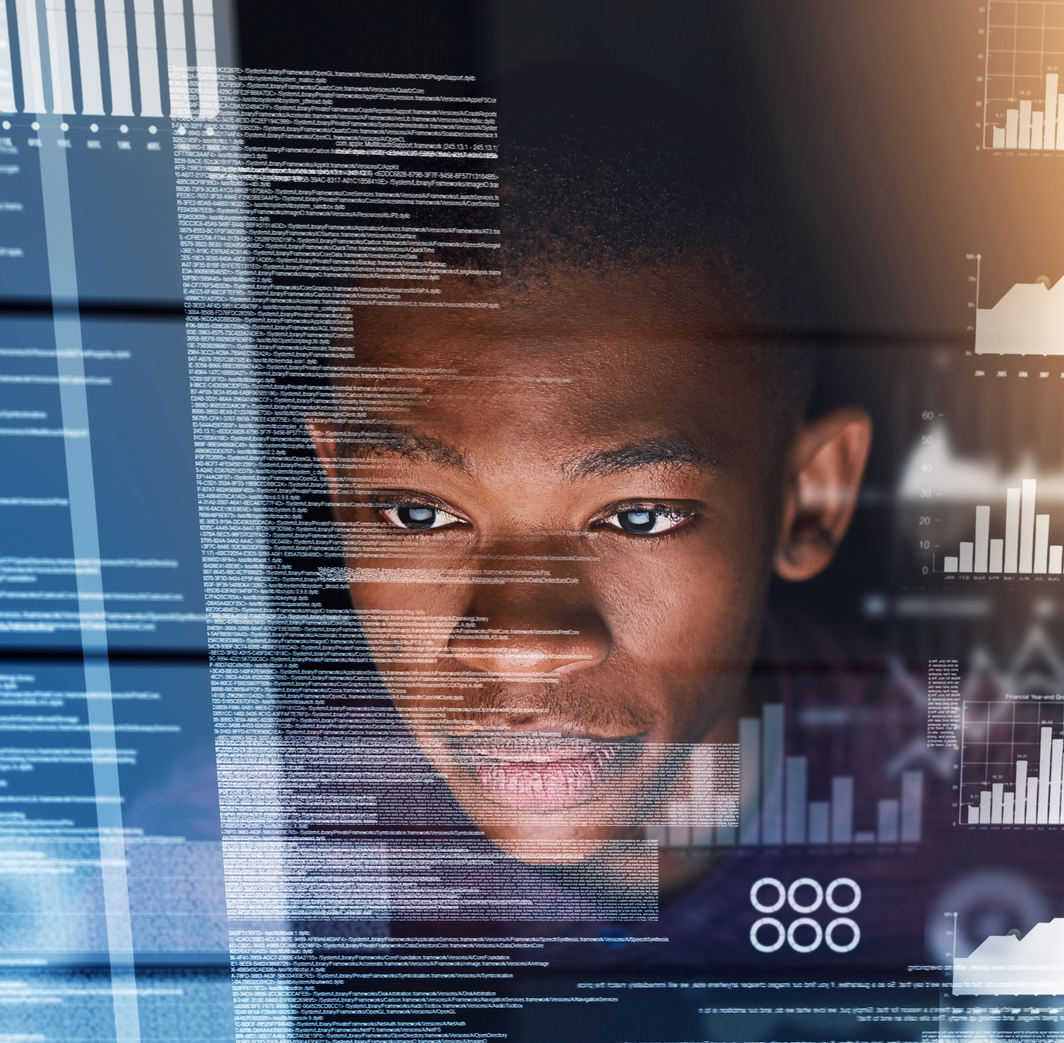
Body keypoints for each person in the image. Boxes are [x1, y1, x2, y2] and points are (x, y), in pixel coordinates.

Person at [304, 64, 870, 875]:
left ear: (811, 494)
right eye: (417, 514)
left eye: (638, 516)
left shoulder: (1059, 856)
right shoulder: (192, 887)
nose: (520, 647)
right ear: (336, 488)